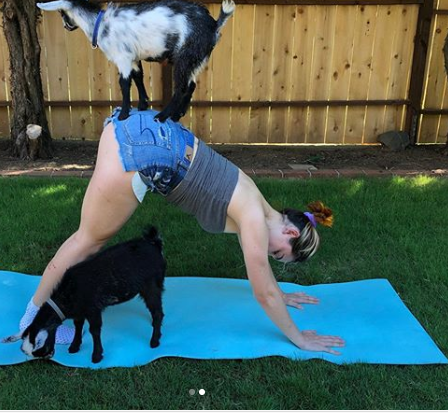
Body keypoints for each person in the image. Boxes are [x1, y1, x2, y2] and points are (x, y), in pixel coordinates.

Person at [20, 108, 345, 355]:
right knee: (88, 240)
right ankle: (32, 322)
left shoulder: (255, 200)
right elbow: (264, 293)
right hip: (144, 151)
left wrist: (281, 293)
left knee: (88, 238)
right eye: (278, 254)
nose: (269, 255)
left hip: (139, 126)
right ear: (290, 234)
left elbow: (264, 279)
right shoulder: (254, 219)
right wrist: (300, 338)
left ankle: (39, 313)